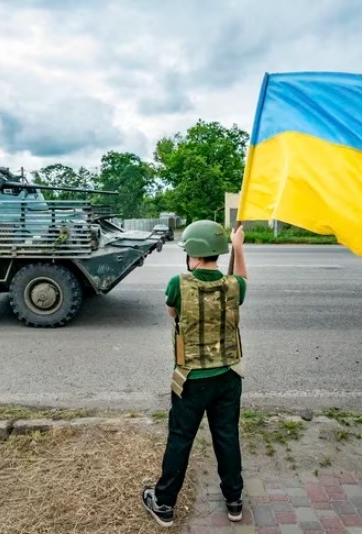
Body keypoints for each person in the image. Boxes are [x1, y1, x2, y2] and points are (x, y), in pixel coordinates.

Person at [142, 220, 248, 528]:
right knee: (226, 437)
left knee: (180, 439)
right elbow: (242, 279)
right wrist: (239, 248)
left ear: (195, 255)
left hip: (190, 379)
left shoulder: (178, 283)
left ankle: (163, 503)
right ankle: (234, 500)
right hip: (228, 376)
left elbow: (172, 314)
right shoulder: (233, 286)